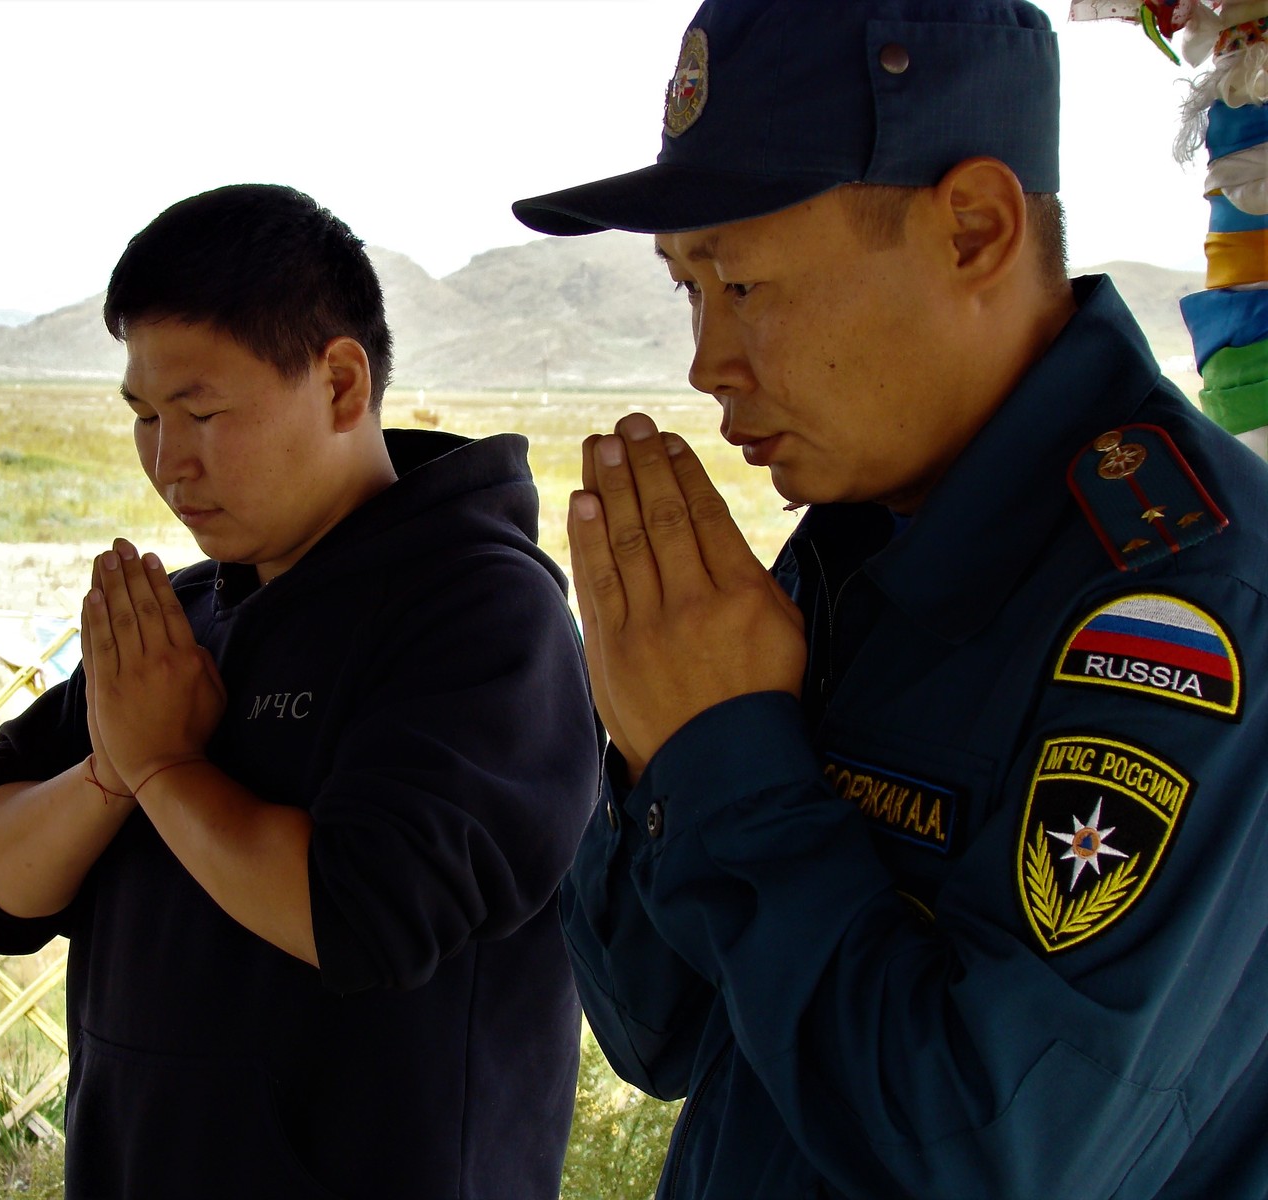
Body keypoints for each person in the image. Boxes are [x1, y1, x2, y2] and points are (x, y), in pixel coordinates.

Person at [511, 1, 1268, 1196]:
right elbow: (655, 1028)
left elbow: (987, 1154)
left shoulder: (1186, 607)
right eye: (684, 291)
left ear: (972, 228)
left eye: (744, 283)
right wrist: (655, 735)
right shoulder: (852, 546)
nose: (705, 360)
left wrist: (722, 753)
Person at [0, 184, 601, 1199]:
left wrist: (160, 765)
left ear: (338, 382)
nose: (168, 461)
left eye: (200, 412)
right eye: (145, 417)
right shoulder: (185, 618)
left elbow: (359, 913)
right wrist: (111, 773)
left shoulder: (484, 616)